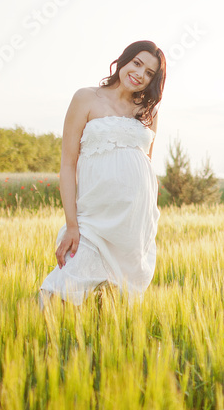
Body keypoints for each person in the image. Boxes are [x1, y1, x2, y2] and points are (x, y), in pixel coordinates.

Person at [38, 40, 166, 308]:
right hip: (94, 217)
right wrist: (72, 225)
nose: (140, 74)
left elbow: (146, 163)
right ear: (124, 60)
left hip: (133, 221)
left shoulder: (149, 111)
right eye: (137, 64)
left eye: (149, 73)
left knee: (110, 302)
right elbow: (68, 165)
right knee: (56, 294)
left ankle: (95, 348)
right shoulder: (86, 98)